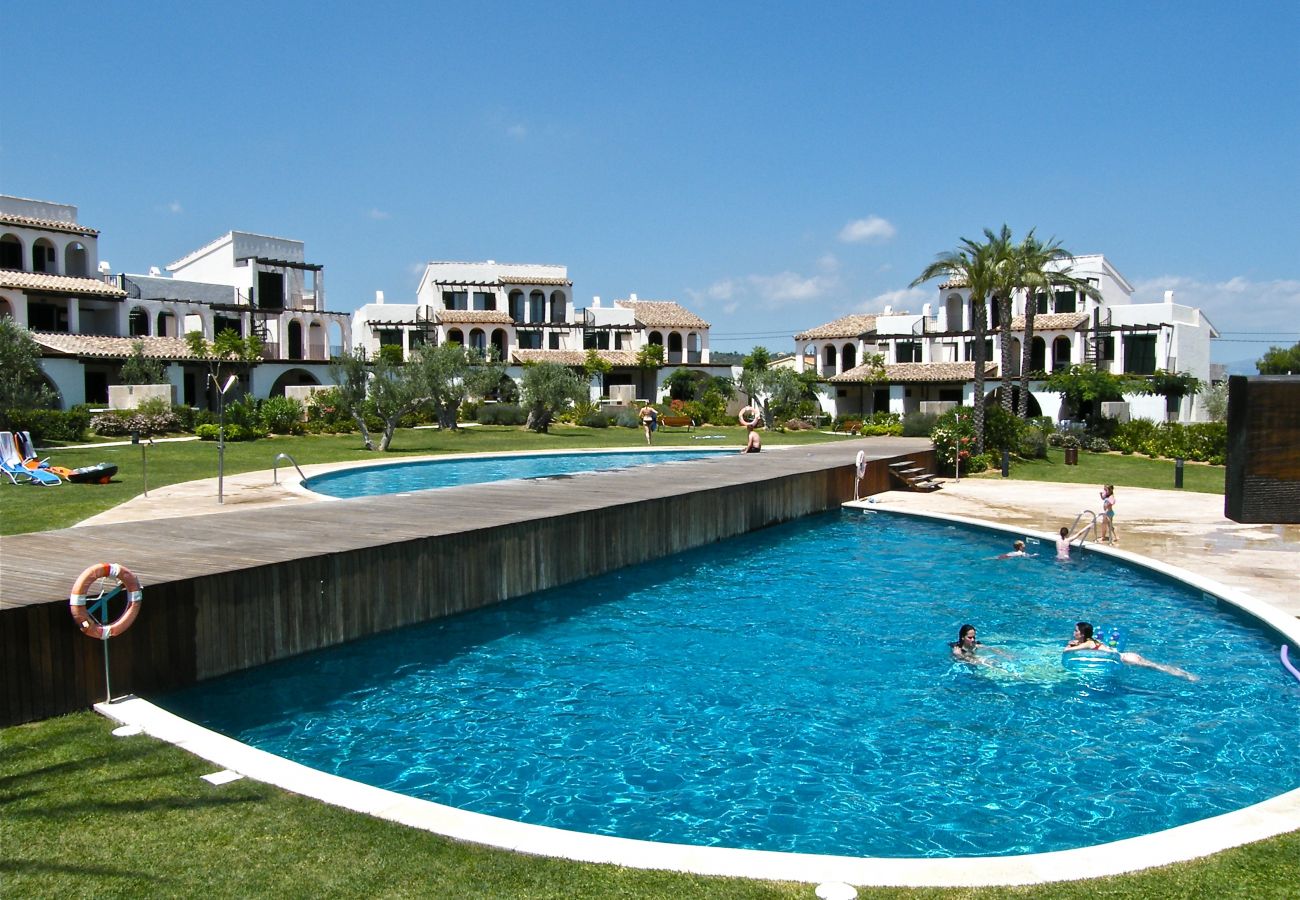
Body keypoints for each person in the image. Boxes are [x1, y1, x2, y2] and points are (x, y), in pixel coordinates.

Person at [1064, 621, 1198, 681]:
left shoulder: (1087, 643)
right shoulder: (1090, 640)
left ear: (1082, 634)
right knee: (1157, 666)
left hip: (1128, 658)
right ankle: (1184, 674)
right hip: (1127, 656)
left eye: (1075, 630)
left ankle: (1187, 676)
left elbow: (1066, 651)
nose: (1073, 632)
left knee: (1157, 668)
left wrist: (1071, 645)